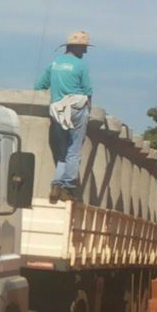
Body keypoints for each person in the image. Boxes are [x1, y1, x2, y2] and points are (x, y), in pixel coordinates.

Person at [35, 30, 93, 203]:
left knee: (62, 151)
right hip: (76, 108)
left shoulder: (54, 64)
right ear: (74, 47)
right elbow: (88, 92)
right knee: (74, 150)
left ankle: (56, 184)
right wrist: (87, 112)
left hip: (57, 111)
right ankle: (67, 186)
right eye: (83, 48)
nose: (85, 52)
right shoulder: (80, 65)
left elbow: (39, 86)